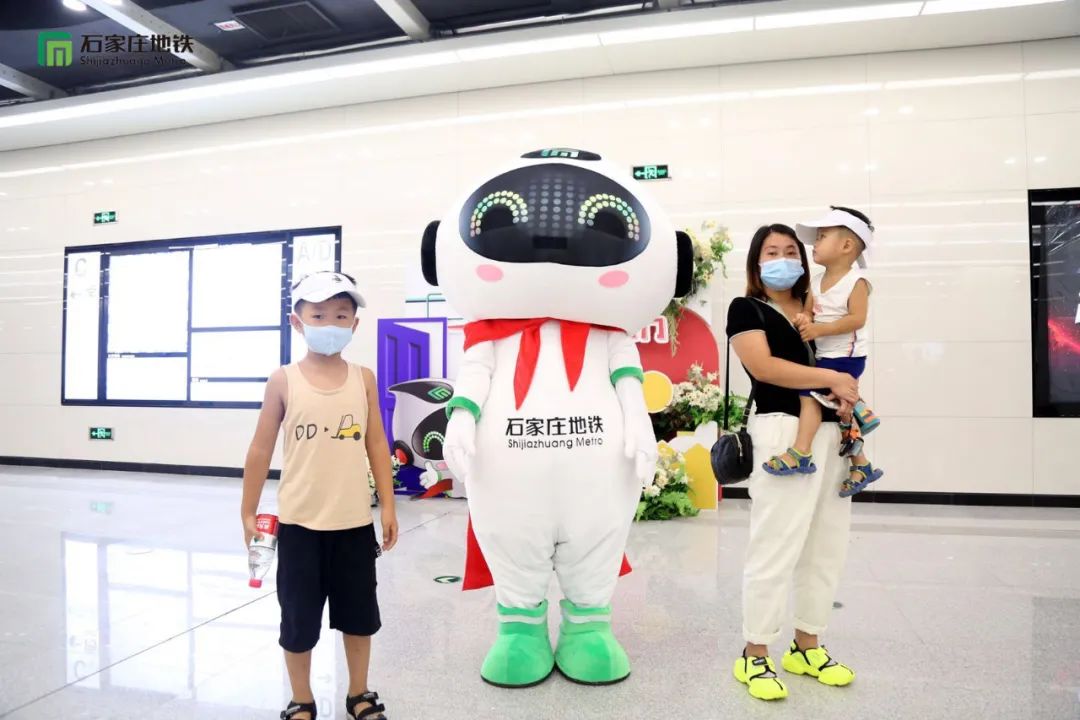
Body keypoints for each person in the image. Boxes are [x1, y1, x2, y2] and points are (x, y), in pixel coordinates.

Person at [241, 271, 399, 720]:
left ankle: (359, 694)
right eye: (319, 315)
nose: (331, 323)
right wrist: (247, 512)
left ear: (354, 324)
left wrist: (388, 506)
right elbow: (260, 449)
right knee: (298, 619)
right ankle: (301, 699)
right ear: (297, 322)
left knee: (360, 616)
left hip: (353, 525)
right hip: (299, 526)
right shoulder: (283, 380)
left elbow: (376, 443)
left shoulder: (363, 378)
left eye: (341, 315)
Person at [727, 224, 859, 702]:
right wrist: (830, 377)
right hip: (782, 432)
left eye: (790, 251)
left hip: (831, 432)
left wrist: (845, 393)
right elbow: (763, 368)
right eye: (771, 252)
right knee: (775, 544)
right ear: (756, 262)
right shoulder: (747, 309)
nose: (782, 259)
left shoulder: (818, 310)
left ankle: (807, 645)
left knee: (826, 545)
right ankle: (755, 652)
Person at [760, 206, 884, 497]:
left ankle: (801, 451)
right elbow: (809, 311)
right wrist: (804, 319)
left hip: (848, 356)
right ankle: (861, 457)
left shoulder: (857, 282)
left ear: (846, 246)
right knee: (839, 408)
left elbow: (857, 319)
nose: (814, 244)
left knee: (809, 397)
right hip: (826, 356)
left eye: (822, 237)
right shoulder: (815, 282)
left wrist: (819, 331)